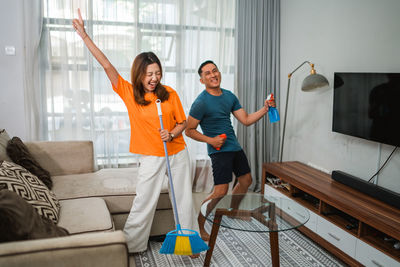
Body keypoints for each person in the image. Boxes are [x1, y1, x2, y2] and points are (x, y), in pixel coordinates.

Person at [72, 9, 199, 255]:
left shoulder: (169, 93)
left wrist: (171, 134)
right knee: (143, 201)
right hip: (151, 155)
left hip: (177, 152)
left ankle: (190, 245)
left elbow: (182, 123)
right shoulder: (130, 93)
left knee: (183, 200)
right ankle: (131, 246)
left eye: (157, 73)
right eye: (149, 74)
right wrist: (85, 36)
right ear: (139, 74)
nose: (154, 78)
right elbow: (106, 64)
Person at [185, 60, 275, 240]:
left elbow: (247, 119)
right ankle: (199, 224)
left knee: (246, 180)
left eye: (214, 71)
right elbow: (189, 130)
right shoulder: (200, 102)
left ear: (219, 72)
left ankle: (233, 211)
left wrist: (266, 108)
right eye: (207, 73)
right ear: (202, 80)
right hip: (219, 150)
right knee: (220, 191)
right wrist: (211, 140)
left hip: (234, 146)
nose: (213, 75)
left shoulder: (229, 96)